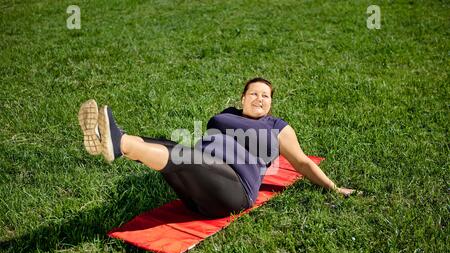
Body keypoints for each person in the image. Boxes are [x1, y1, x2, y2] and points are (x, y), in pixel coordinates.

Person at [78, 77, 357, 218]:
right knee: (167, 145)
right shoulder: (228, 113)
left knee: (181, 155)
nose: (259, 99)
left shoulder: (276, 127)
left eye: (265, 95)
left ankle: (117, 141)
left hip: (235, 189)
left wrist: (333, 187)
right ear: (243, 97)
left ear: (271, 102)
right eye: (253, 93)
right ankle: (110, 139)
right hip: (201, 186)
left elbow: (302, 163)